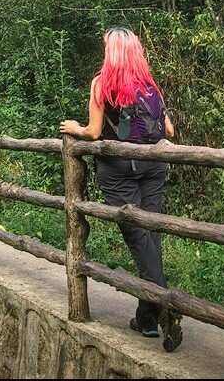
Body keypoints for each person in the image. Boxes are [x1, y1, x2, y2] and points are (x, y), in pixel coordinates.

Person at [59, 27, 182, 350]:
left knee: (139, 237)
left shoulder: (103, 83)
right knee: (151, 236)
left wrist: (76, 128)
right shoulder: (150, 84)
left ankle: (167, 305)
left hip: (120, 172)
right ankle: (147, 318)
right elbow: (168, 128)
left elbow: (95, 131)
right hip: (154, 167)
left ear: (111, 51)